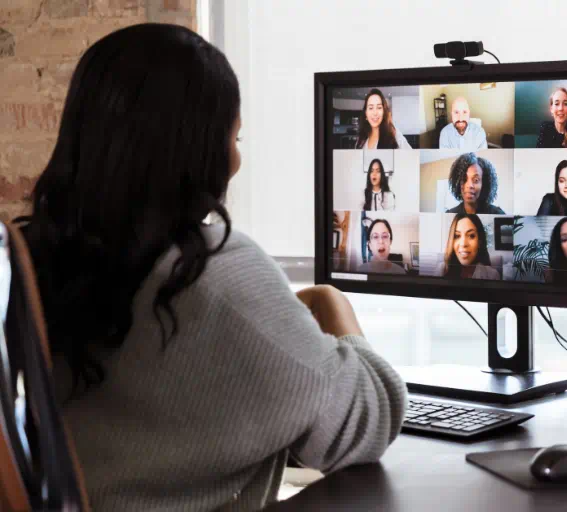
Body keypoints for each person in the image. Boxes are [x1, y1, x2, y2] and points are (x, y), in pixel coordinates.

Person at [14, 24, 407, 511]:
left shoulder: (39, 257)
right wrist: (330, 302)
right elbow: (366, 421)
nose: (237, 159)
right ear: (198, 148)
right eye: (234, 137)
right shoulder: (214, 271)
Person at [436, 213, 500, 280]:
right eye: (457, 236)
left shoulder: (492, 275)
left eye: (471, 236)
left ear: (479, 242)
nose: (463, 244)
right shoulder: (441, 270)